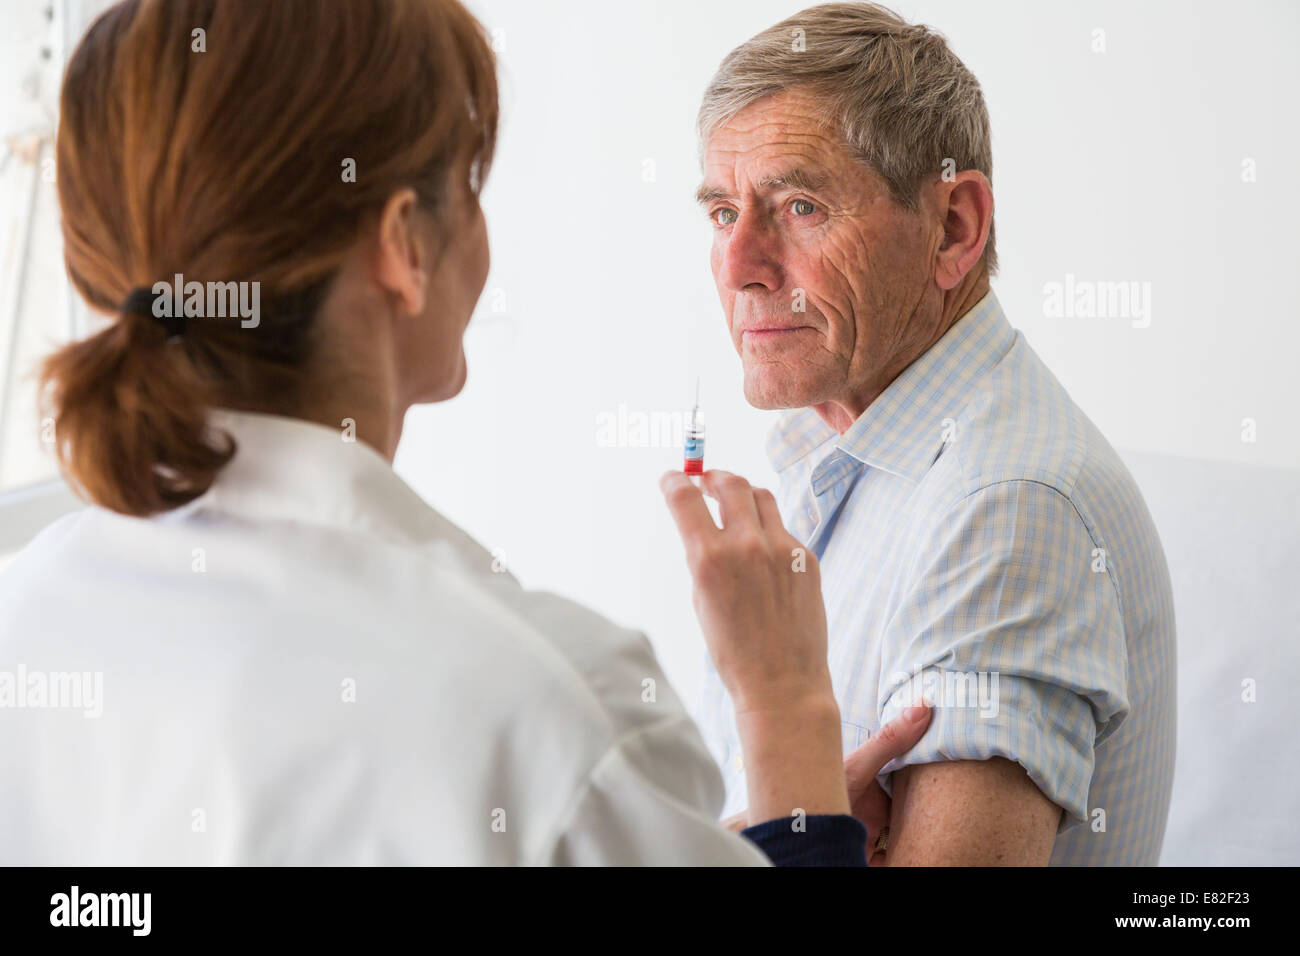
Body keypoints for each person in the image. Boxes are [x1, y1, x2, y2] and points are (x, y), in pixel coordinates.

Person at [0, 0, 929, 866]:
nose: (739, 265)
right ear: (404, 246)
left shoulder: (26, 616)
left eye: (799, 206)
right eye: (469, 181)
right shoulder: (552, 717)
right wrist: (788, 720)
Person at [693, 2, 1176, 864]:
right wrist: (787, 828)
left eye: (800, 205)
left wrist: (783, 758)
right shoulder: (855, 454)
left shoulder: (1006, 511)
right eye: (723, 212)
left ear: (954, 228)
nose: (739, 268)